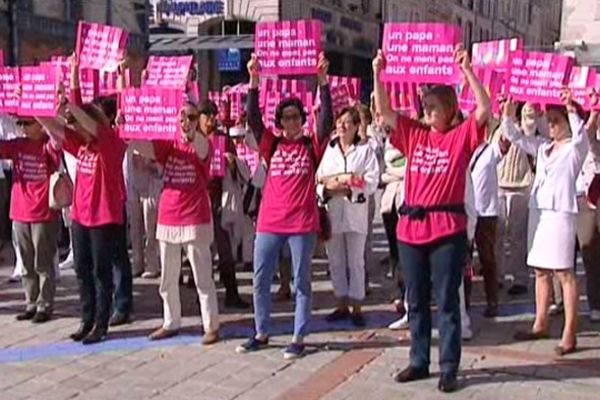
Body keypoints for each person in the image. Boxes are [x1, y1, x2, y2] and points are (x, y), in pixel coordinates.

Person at [373, 45, 490, 393]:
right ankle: (419, 360)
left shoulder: (460, 137)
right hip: (411, 230)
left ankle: (449, 366)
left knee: (448, 301)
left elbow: (484, 109)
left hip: (446, 231)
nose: (427, 110)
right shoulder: (415, 134)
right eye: (425, 106)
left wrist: (467, 70)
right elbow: (385, 112)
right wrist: (377, 73)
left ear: (449, 109)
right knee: (416, 300)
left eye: (434, 106)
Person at [236, 52, 333, 359]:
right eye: (285, 117)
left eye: (295, 117)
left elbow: (327, 119)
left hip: (301, 224)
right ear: (279, 122)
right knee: (260, 278)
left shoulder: (310, 146)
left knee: (300, 282)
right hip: (269, 222)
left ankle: (298, 336)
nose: (291, 121)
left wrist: (322, 81)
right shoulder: (272, 145)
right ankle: (261, 331)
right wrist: (254, 79)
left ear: (302, 120)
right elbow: (253, 118)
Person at [504, 90, 598, 356]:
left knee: (564, 273)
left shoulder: (574, 149)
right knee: (541, 271)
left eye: (556, 120)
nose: (551, 124)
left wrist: (570, 107)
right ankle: (540, 322)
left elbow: (581, 136)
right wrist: (509, 112)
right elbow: (514, 137)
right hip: (540, 211)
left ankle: (570, 332)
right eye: (550, 119)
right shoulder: (544, 147)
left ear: (568, 122)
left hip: (560, 213)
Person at [39, 96, 127, 345]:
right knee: (82, 270)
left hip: (104, 218)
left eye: (79, 124)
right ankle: (86, 319)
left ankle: (101, 323)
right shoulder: (82, 146)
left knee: (101, 272)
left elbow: (91, 125)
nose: (76, 128)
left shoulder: (110, 143)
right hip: (81, 217)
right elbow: (53, 127)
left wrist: (71, 106)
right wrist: (30, 106)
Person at [135, 102, 221, 345]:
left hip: (194, 217)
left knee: (202, 277)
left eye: (192, 116)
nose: (186, 121)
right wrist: (128, 129)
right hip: (168, 217)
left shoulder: (203, 145)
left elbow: (201, 147)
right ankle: (170, 322)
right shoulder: (168, 143)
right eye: (182, 116)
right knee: (168, 278)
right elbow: (144, 147)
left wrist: (190, 133)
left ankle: (211, 325)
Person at [317, 106, 380, 326]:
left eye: (347, 122)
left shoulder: (365, 151)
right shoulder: (330, 149)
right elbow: (320, 178)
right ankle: (341, 302)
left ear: (355, 127)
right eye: (340, 121)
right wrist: (333, 186)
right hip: (333, 210)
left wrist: (350, 184)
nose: (342, 126)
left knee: (356, 261)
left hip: (355, 211)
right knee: (335, 260)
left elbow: (371, 181)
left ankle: (357, 305)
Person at [0, 116, 61, 323]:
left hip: (43, 213)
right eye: (21, 124)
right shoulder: (17, 145)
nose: (23, 128)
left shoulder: (48, 145)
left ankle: (45, 304)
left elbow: (58, 143)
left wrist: (46, 118)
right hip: (19, 212)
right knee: (25, 263)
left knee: (42, 262)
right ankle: (31, 302)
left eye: (28, 123)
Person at [199, 100, 248, 309]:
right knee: (200, 252)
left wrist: (231, 161)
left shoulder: (222, 140)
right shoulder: (194, 140)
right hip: (199, 201)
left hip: (220, 202)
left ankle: (231, 292)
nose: (211, 119)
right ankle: (203, 295)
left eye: (213, 115)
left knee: (225, 250)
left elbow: (238, 169)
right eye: (206, 115)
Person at [494, 102, 546, 295]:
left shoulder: (524, 125)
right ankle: (496, 275)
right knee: (497, 235)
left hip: (521, 186)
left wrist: (525, 103)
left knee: (517, 237)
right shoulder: (495, 124)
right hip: (498, 185)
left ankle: (520, 278)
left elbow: (531, 121)